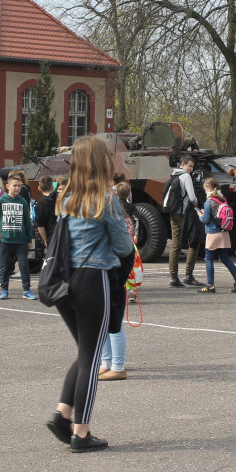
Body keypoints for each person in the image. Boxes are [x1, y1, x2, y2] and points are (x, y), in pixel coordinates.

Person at [45, 136, 136, 453]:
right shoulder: (106, 198)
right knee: (91, 358)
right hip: (92, 279)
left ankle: (62, 414)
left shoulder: (65, 197)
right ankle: (81, 433)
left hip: (62, 282)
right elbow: (124, 245)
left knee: (85, 352)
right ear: (101, 162)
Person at [100, 181, 136, 381]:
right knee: (102, 323)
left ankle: (117, 365)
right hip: (105, 274)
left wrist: (118, 279)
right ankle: (106, 363)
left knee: (114, 323)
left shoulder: (119, 219)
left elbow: (126, 251)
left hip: (113, 273)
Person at [0, 173, 36, 300]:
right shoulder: (1, 201)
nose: (17, 188)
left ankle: (26, 290)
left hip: (20, 241)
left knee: (24, 266)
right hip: (5, 240)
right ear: (8, 186)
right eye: (15, 186)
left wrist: (29, 239)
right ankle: (4, 289)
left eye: (19, 186)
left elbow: (27, 221)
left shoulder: (23, 201)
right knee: (4, 266)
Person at [196, 177, 236, 293]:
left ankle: (210, 285)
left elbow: (205, 220)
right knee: (225, 258)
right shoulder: (222, 200)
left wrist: (200, 214)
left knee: (208, 258)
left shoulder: (208, 202)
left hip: (212, 233)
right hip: (223, 232)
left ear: (208, 188)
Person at [166, 155, 202, 287]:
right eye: (190, 166)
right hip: (185, 214)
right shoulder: (186, 176)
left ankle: (173, 278)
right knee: (193, 241)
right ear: (183, 164)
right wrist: (199, 207)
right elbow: (192, 197)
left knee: (175, 244)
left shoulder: (173, 175)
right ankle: (189, 275)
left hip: (173, 213)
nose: (191, 169)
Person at [36, 175, 60, 246]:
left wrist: (46, 241)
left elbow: (40, 227)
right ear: (52, 187)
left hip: (51, 235)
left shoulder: (40, 204)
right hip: (64, 233)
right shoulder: (60, 199)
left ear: (39, 188)